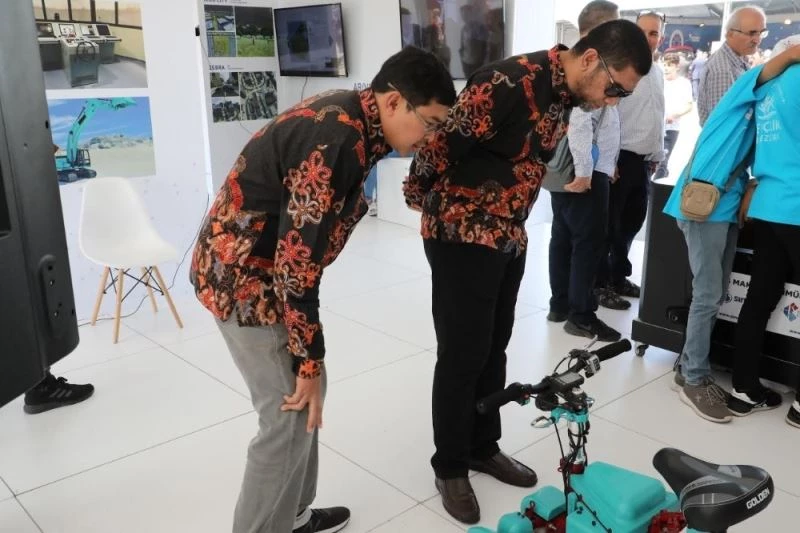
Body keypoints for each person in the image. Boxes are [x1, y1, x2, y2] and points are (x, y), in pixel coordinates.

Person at [190, 46, 456, 533]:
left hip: (261, 269)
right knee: (289, 411)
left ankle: (294, 515)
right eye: (431, 123)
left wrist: (311, 361)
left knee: (308, 392)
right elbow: (296, 268)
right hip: (246, 281)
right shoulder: (335, 138)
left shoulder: (357, 117)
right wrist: (309, 359)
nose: (431, 137)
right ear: (394, 102)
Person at [404, 19, 652, 525]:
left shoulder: (566, 94)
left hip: (507, 234)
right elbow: (438, 148)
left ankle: (482, 446)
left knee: (494, 345)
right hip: (461, 231)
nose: (612, 101)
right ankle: (450, 464)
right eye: (615, 89)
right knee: (462, 353)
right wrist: (420, 198)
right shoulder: (505, 82)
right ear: (590, 59)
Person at [662, 41, 800, 424]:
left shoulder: (763, 106)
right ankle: (693, 378)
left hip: (725, 206)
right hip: (703, 205)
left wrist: (752, 186)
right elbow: (788, 56)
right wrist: (790, 55)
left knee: (717, 293)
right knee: (708, 295)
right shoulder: (743, 90)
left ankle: (689, 366)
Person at [729, 37, 800, 423]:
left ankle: (743, 388)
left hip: (769, 203)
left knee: (758, 300)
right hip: (797, 205)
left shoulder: (767, 87)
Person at [548, 0, 624, 341]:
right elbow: (580, 123)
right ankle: (580, 315)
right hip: (583, 172)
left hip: (571, 170)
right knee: (587, 243)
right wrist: (586, 172)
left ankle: (560, 304)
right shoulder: (592, 66)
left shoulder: (573, 63)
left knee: (563, 238)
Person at [597, 11, 665, 303]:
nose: (648, 38)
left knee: (631, 224)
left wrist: (657, 154)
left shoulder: (657, 72)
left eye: (654, 33)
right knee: (609, 226)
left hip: (644, 162)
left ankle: (618, 277)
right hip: (620, 159)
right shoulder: (620, 68)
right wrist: (609, 159)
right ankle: (600, 285)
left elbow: (657, 114)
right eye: (643, 31)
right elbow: (607, 116)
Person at [697, 6, 767, 126]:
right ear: (730, 34)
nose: (757, 40)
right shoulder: (722, 71)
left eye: (761, 33)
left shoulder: (739, 60)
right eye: (751, 33)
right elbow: (723, 125)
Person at [654, 54, 693, 180]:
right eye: (664, 65)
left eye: (669, 65)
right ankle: (661, 175)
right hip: (655, 126)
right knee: (652, 161)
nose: (666, 68)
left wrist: (674, 115)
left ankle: (658, 183)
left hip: (671, 128)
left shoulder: (684, 83)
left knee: (663, 160)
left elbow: (689, 106)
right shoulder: (658, 81)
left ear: (677, 66)